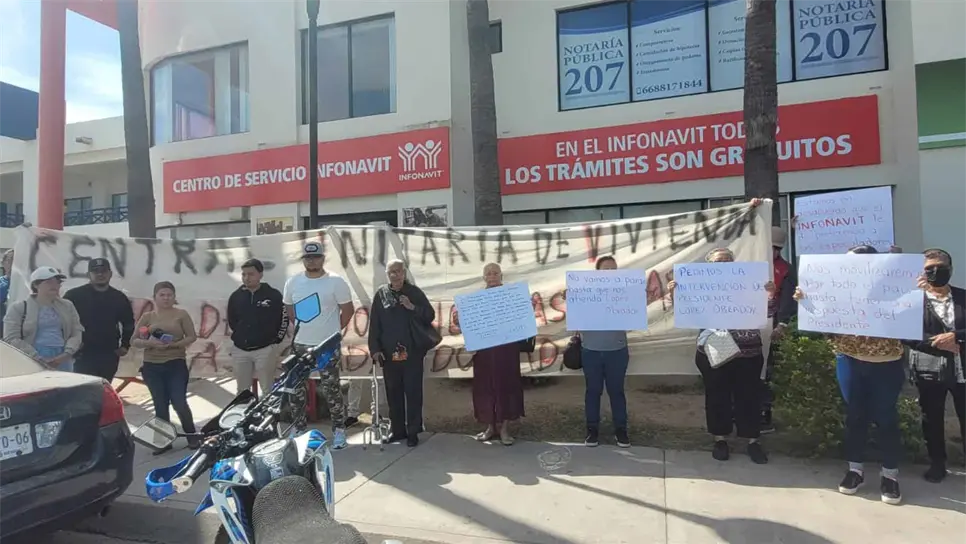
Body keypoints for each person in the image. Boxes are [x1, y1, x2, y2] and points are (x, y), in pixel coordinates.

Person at [793, 245, 905, 504]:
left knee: (886, 419)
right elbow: (825, 328)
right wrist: (807, 302)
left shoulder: (894, 287)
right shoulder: (837, 290)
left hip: (887, 362)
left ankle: (890, 475)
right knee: (855, 417)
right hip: (850, 361)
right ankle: (855, 470)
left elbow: (912, 319)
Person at [668, 248, 773, 465]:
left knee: (749, 397)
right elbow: (687, 312)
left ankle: (752, 441)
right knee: (717, 396)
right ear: (709, 266)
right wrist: (676, 293)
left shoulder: (749, 285)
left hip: (749, 351)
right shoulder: (702, 288)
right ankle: (720, 439)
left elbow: (769, 312)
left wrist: (769, 294)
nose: (723, 264)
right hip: (716, 348)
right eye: (718, 261)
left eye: (727, 260)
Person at [283, 241, 354, 450]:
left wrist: (332, 333)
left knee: (331, 388)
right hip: (300, 344)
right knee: (296, 390)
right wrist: (301, 329)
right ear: (303, 259)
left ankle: (339, 431)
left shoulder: (335, 282)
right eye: (308, 257)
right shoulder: (293, 282)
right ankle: (299, 430)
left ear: (323, 258)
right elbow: (289, 308)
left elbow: (347, 311)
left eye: (316, 257)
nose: (312, 261)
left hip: (326, 346)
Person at [904, 248, 965, 483]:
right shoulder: (913, 301)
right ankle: (937, 464)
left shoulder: (963, 297)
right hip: (929, 370)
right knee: (932, 418)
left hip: (963, 370)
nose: (936, 272)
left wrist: (957, 337)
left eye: (941, 267)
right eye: (930, 269)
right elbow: (907, 335)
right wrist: (937, 344)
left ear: (950, 269)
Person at [455, 263, 525, 446]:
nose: (492, 276)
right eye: (489, 273)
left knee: (506, 386)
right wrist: (460, 320)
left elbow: (521, 322)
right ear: (484, 277)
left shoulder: (511, 297)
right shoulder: (475, 300)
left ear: (501, 275)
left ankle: (504, 429)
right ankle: (490, 427)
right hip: (484, 352)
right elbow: (469, 327)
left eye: (495, 273)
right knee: (485, 388)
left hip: (506, 351)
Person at [368, 259, 435, 447]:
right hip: (389, 354)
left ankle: (413, 431)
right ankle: (398, 431)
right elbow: (375, 324)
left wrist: (412, 307)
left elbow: (430, 315)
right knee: (393, 393)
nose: (395, 275)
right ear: (387, 274)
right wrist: (375, 349)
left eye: (398, 271)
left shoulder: (414, 292)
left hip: (412, 352)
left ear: (404, 273)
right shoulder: (381, 294)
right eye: (391, 272)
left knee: (413, 393)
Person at [131, 281, 199, 453]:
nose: (166, 298)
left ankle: (192, 435)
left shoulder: (181, 314)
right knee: (160, 405)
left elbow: (191, 336)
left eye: (169, 295)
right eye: (162, 295)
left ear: (174, 297)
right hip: (152, 366)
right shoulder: (147, 317)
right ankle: (163, 441)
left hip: (175, 363)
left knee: (179, 402)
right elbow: (134, 341)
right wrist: (150, 343)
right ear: (155, 297)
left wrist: (174, 345)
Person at [578, 255, 630, 448]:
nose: (609, 273)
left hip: (617, 350)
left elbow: (635, 315)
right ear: (597, 273)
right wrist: (572, 299)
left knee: (617, 392)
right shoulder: (585, 292)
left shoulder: (625, 292)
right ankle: (592, 431)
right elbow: (576, 318)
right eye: (605, 269)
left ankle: (621, 431)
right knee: (593, 392)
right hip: (590, 350)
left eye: (613, 269)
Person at [63, 258, 135, 382]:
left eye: (103, 271)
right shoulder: (74, 295)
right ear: (88, 275)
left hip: (108, 353)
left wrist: (125, 345)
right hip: (82, 353)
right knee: (82, 391)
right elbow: (62, 320)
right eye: (96, 271)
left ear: (110, 274)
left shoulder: (119, 297)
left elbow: (128, 323)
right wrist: (70, 344)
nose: (100, 274)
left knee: (103, 391)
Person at [2, 266, 83, 371]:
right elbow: (11, 337)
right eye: (49, 282)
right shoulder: (19, 307)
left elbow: (76, 330)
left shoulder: (67, 306)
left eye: (58, 282)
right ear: (36, 285)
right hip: (30, 358)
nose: (55, 285)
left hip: (63, 358)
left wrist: (67, 353)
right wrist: (36, 357)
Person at [227, 258, 288, 396]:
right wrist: (241, 336)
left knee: (267, 389)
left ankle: (268, 416)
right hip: (240, 350)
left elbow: (283, 320)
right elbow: (232, 320)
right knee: (242, 391)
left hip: (265, 350)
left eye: (251, 274)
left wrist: (275, 341)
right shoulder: (236, 296)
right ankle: (244, 415)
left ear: (260, 275)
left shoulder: (273, 295)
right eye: (244, 274)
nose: (246, 278)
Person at [760, 227, 797, 434]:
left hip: (772, 326)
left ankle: (765, 415)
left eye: (776, 248)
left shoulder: (786, 269)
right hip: (748, 328)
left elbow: (788, 300)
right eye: (769, 247)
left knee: (767, 371)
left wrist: (782, 324)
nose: (772, 251)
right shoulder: (751, 264)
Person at [0, 249, 12, 336]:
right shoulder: (1, 283)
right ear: (3, 263)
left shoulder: (29, 284)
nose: (13, 263)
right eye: (10, 260)